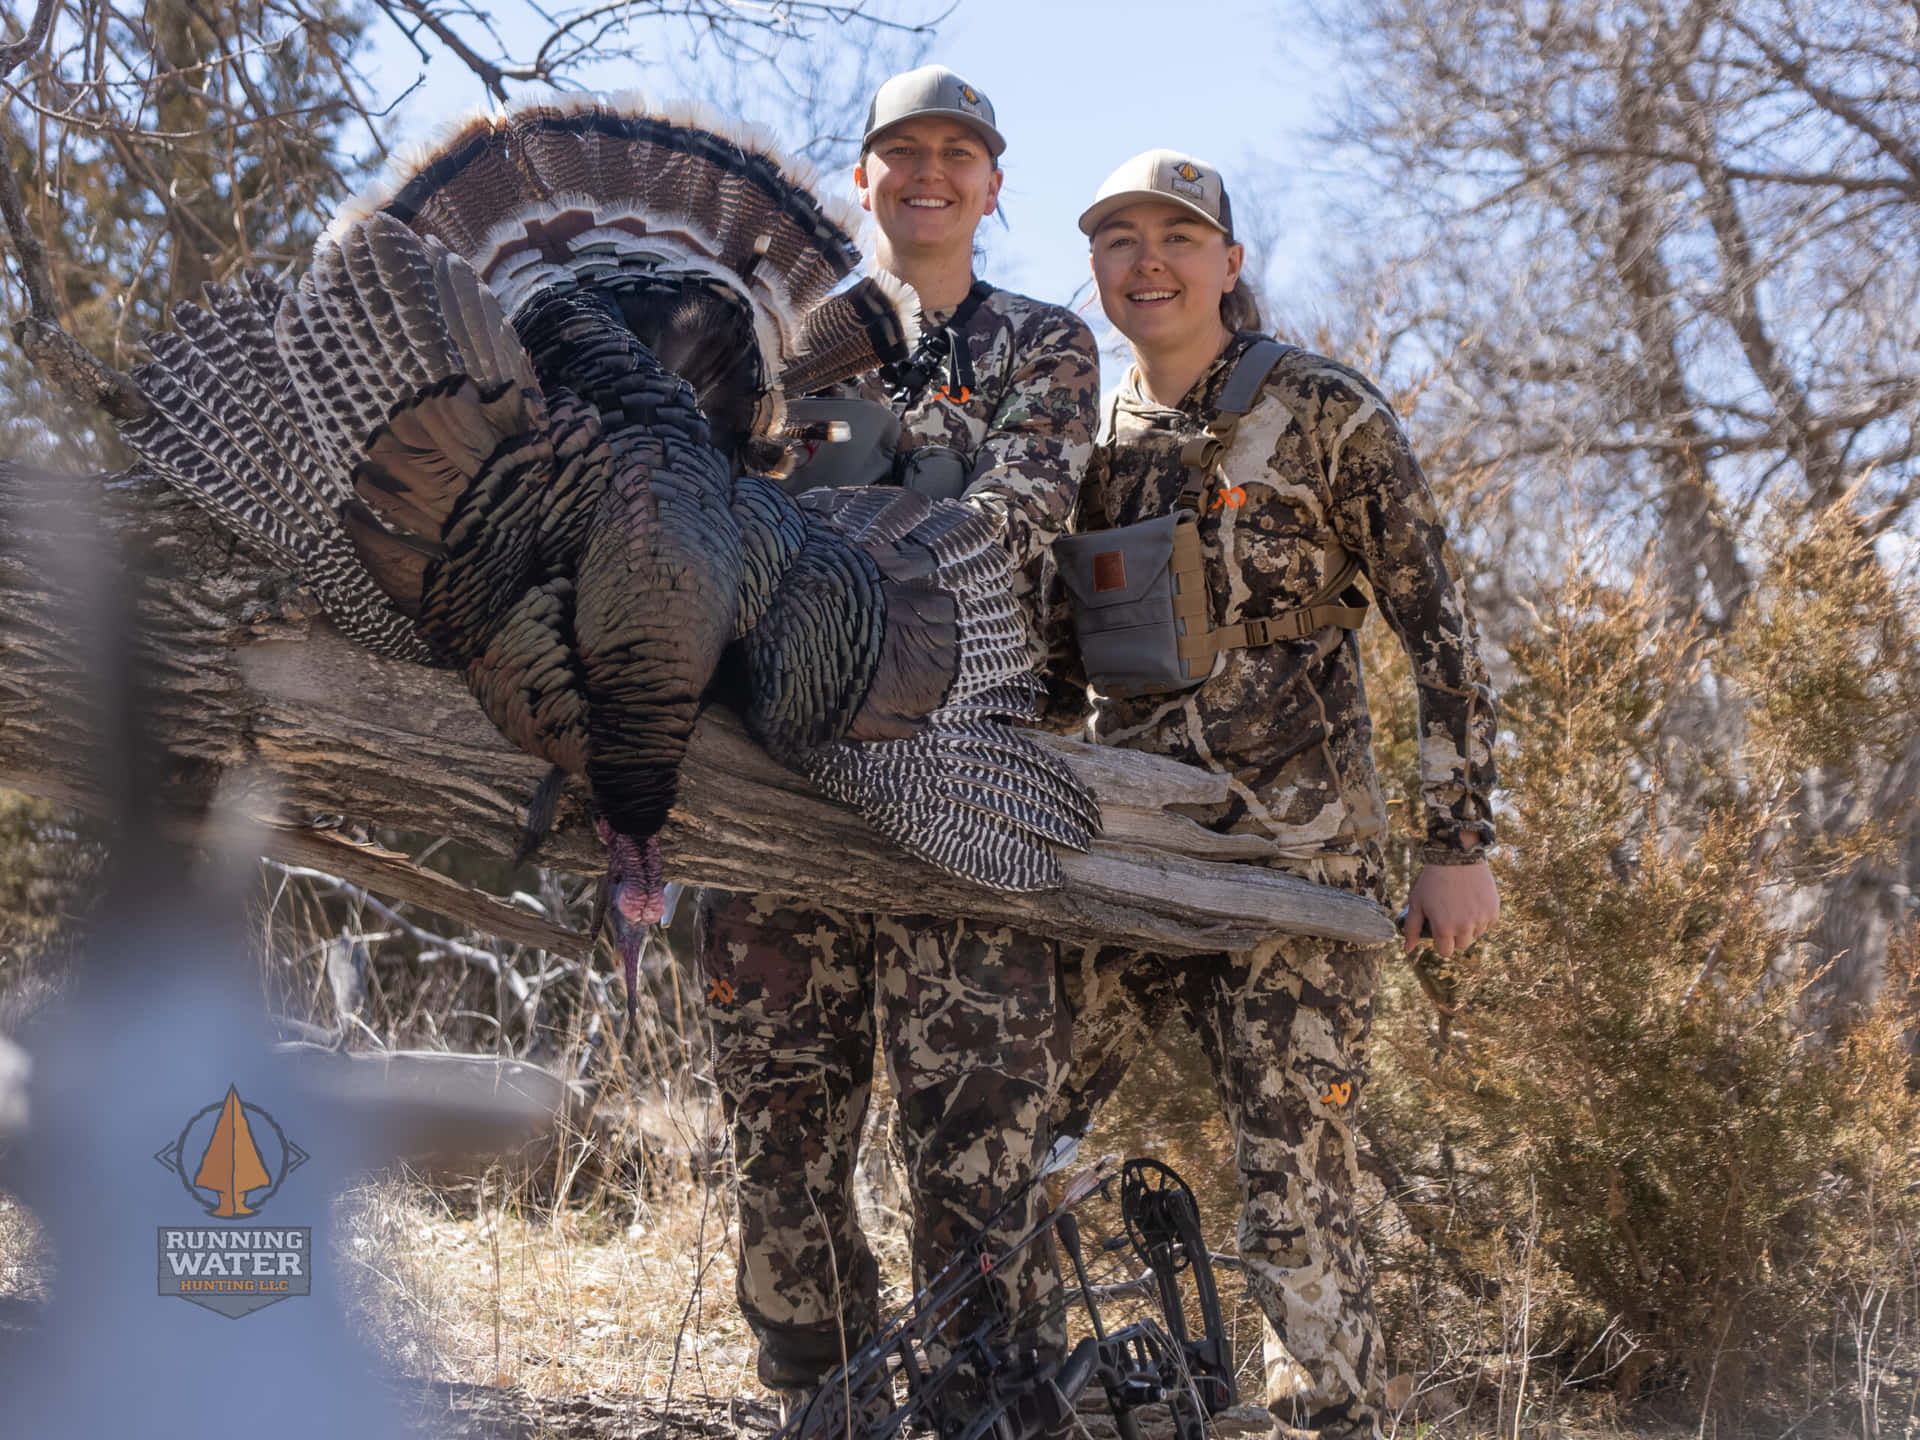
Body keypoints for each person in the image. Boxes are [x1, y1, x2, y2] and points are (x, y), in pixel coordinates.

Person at [1050, 151, 1501, 1440]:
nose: (1149, 261)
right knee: (1016, 1124)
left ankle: (1340, 1415)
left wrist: (1454, 843)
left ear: (1229, 263)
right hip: (1119, 851)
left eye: (1179, 237)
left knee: (1294, 1176)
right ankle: (1020, 1390)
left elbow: (1442, 635)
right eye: (1120, 238)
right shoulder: (1081, 439)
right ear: (1096, 269)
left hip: (1299, 860)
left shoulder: (1325, 410)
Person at [694, 65, 1100, 1421]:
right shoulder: (771, 341)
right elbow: (706, 520)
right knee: (779, 1134)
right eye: (903, 153)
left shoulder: (1045, 345)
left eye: (959, 155)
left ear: (991, 185)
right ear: (861, 176)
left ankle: (981, 1396)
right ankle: (823, 1398)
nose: (931, 174)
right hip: (775, 791)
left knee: (978, 1144)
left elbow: (1022, 518)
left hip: (966, 786)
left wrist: (825, 575)